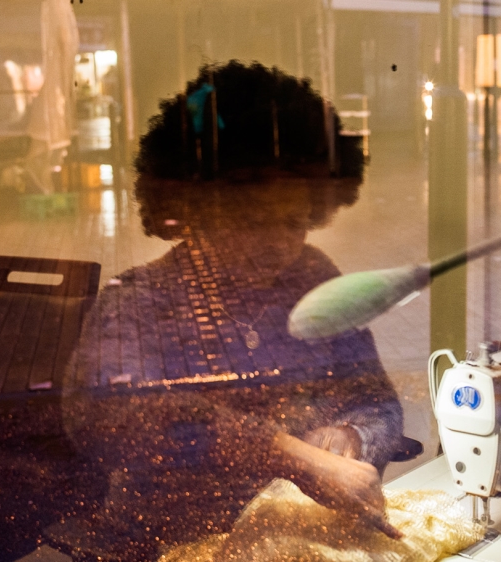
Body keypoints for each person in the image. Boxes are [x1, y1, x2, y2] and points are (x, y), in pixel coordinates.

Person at [54, 61, 404, 560]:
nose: (280, 242)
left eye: (296, 222)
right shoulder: (139, 300)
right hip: (163, 546)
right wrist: (292, 456)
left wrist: (351, 437)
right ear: (198, 208)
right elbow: (111, 418)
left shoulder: (314, 279)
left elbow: (378, 400)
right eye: (255, 221)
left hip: (299, 542)